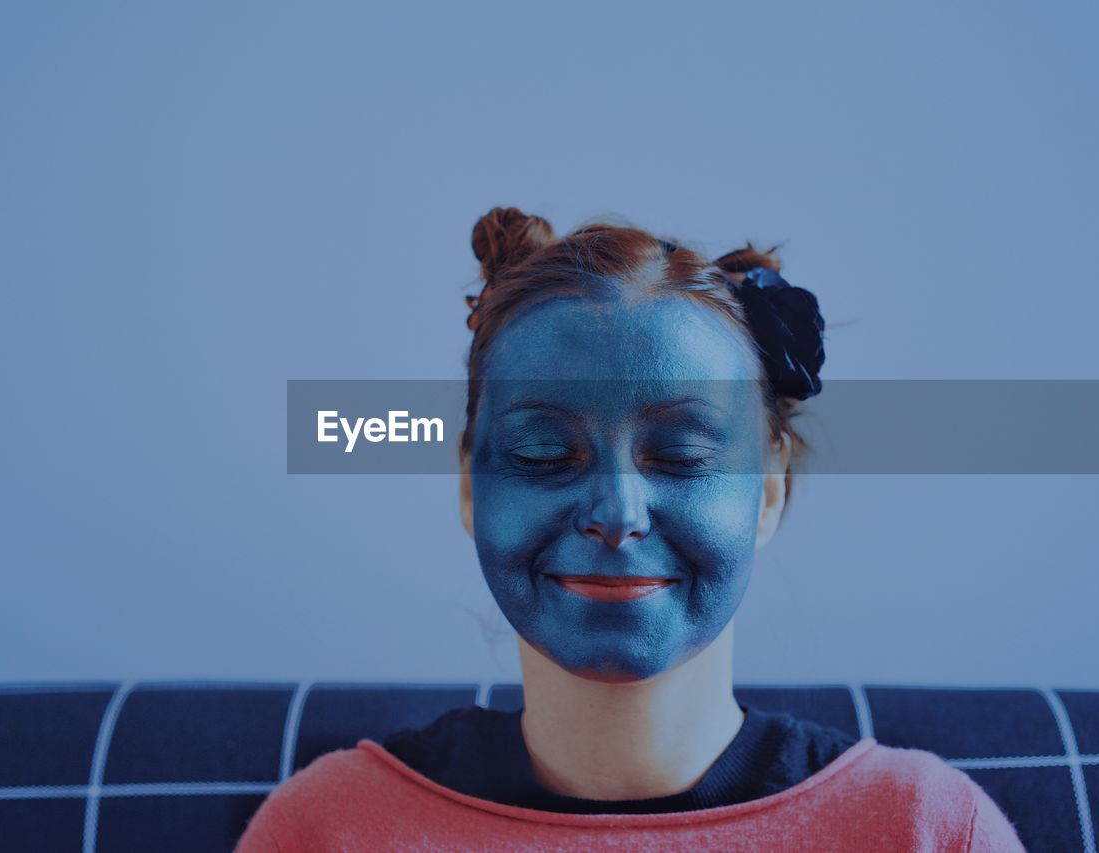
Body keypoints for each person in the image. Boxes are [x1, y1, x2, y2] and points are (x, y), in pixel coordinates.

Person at [237, 207, 1026, 851]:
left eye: (682, 454)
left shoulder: (924, 830)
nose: (616, 513)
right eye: (545, 452)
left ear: (769, 491)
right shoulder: (325, 828)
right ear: (472, 485)